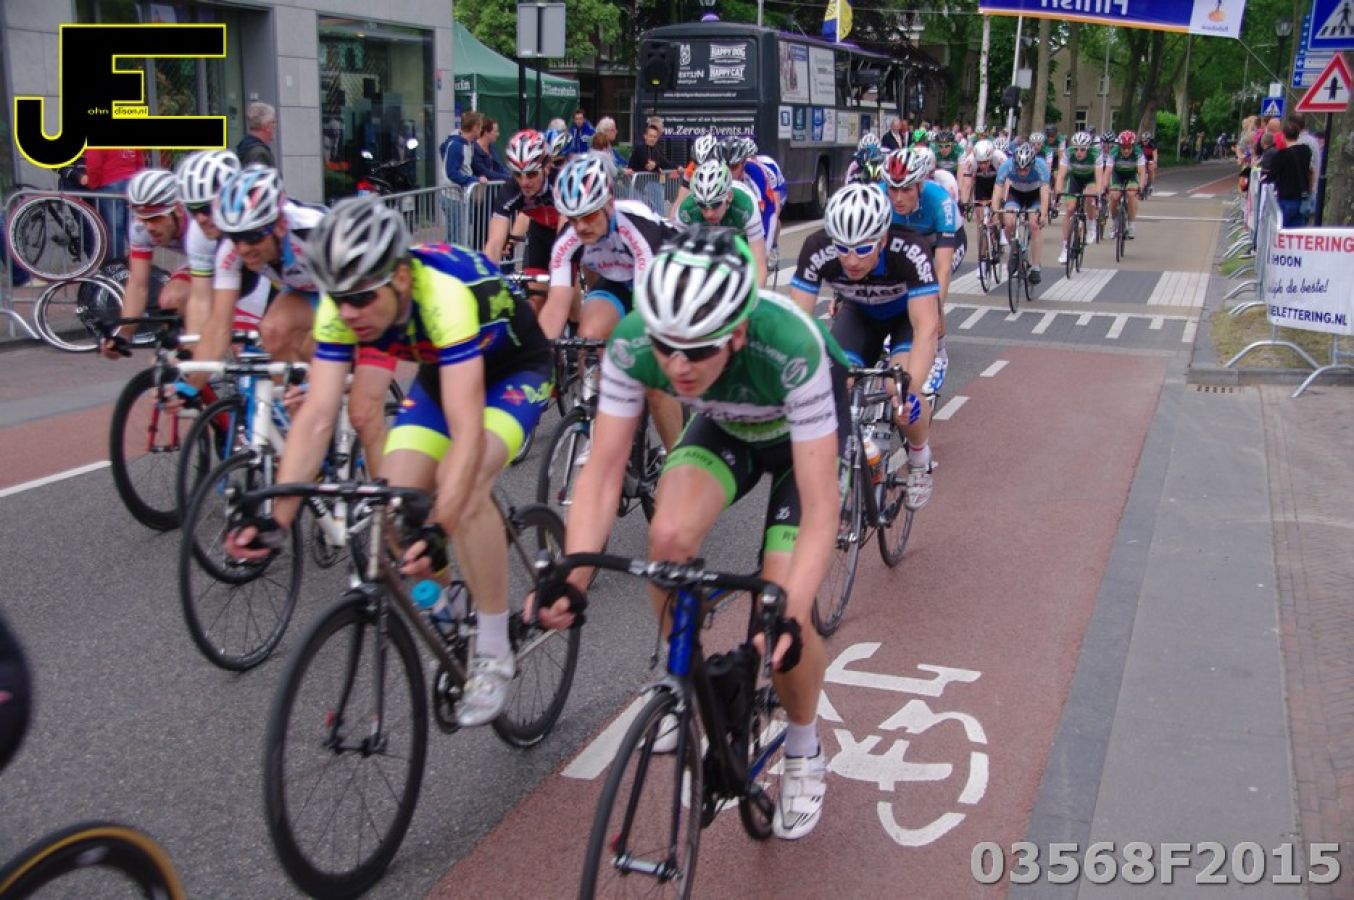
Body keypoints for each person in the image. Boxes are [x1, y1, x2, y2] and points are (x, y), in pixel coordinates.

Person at [540, 226, 846, 840]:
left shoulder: (791, 345)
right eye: (666, 346)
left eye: (698, 350)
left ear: (737, 333)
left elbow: (820, 509)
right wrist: (573, 574)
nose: (677, 366)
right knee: (667, 540)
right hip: (725, 428)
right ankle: (685, 678)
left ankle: (804, 747)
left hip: (798, 449)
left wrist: (791, 612)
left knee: (782, 611)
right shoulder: (633, 342)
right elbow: (602, 472)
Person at [226, 198, 555, 726]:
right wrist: (276, 519)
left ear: (400, 278)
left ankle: (495, 649)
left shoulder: (444, 294)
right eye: (338, 299)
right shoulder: (347, 304)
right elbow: (317, 417)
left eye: (361, 298)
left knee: (464, 483)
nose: (348, 312)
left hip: (514, 372)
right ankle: (445, 602)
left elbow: (467, 433)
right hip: (442, 373)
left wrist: (440, 525)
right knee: (393, 498)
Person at [790, 183, 939, 510]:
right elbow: (796, 324)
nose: (851, 260)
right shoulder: (817, 248)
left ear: (883, 240)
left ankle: (919, 459)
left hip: (904, 318)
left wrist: (909, 388)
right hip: (859, 315)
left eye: (863, 249)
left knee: (898, 388)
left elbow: (926, 328)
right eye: (843, 248)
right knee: (835, 383)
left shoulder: (910, 249)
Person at [540, 155, 685, 448]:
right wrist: (537, 354)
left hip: (662, 281)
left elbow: (645, 308)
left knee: (655, 382)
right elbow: (556, 304)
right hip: (619, 281)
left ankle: (679, 459)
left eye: (588, 215)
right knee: (589, 335)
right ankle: (598, 412)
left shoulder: (636, 224)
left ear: (607, 204)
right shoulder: (568, 240)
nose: (580, 226)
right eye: (572, 218)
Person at [99, 168, 215, 358]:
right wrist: (124, 335)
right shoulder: (140, 228)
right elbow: (138, 284)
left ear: (178, 209)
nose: (149, 227)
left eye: (156, 218)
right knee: (172, 299)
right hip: (203, 263)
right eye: (143, 218)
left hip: (238, 264)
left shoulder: (199, 225)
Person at [878, 149, 960, 394]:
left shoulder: (940, 200)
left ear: (920, 185)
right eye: (893, 189)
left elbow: (943, 267)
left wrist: (934, 306)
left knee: (931, 293)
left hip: (938, 244)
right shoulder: (879, 198)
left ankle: (939, 353)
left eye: (906, 190)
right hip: (905, 240)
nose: (898, 198)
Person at [483, 130, 562, 310]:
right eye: (518, 174)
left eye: (531, 174)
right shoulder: (511, 190)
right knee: (535, 299)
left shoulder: (560, 183)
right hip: (540, 234)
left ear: (547, 167)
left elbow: (569, 233)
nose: (524, 182)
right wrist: (486, 282)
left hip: (569, 232)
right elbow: (494, 244)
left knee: (565, 294)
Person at [675, 159, 768, 283]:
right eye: (702, 205)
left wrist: (754, 293)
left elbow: (759, 266)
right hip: (706, 242)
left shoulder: (745, 206)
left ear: (729, 197)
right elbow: (676, 262)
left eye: (716, 205)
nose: (709, 213)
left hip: (740, 239)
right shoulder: (687, 210)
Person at [992, 143, 1051, 283]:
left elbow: (1044, 192)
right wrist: (995, 211)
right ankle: (1016, 249)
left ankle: (1035, 267)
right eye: (1019, 169)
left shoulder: (1041, 165)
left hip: (1035, 194)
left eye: (1026, 169)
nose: (1022, 172)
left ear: (1032, 164)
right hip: (1016, 193)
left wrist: (1043, 213)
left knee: (1034, 225)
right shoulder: (1007, 166)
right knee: (1009, 222)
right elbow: (998, 190)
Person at [81, 148, 145, 262]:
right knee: (134, 226)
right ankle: (140, 262)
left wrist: (92, 185)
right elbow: (140, 161)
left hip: (110, 183)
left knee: (114, 228)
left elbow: (94, 164)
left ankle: (116, 264)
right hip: (132, 183)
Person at [1056, 132, 1101, 264]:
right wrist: (1058, 193)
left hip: (1090, 178)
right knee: (1070, 209)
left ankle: (1091, 225)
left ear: (1088, 148)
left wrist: (1098, 194)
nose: (1079, 152)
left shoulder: (1096, 154)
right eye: (1076, 149)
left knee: (1089, 196)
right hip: (1075, 178)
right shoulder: (1068, 153)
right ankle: (1065, 248)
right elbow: (1061, 175)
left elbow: (1099, 177)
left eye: (1082, 149)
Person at [1269, 118, 1315, 227]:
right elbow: (1311, 172)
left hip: (1285, 197)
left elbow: (1272, 176)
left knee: (1283, 229)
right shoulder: (1306, 150)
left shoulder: (1280, 155)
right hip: (1301, 197)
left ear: (1283, 136)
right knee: (1298, 230)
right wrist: (1309, 191)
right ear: (1298, 135)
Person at [1104, 130, 1146, 240]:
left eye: (1129, 148)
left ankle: (1131, 225)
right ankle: (1114, 223)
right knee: (1114, 197)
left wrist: (1141, 188)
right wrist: (1105, 187)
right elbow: (1108, 171)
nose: (1126, 150)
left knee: (1131, 195)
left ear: (1133, 146)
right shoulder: (1113, 152)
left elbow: (1142, 172)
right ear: (1120, 146)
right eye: (1123, 148)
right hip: (1117, 176)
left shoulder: (1138, 152)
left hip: (1131, 176)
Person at [236, 102, 277, 167]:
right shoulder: (259, 154)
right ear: (267, 125)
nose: (275, 125)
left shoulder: (245, 147)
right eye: (273, 122)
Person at [472, 117, 510, 182]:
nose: (498, 134)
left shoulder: (492, 148)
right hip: (481, 187)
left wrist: (513, 177)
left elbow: (499, 167)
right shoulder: (474, 150)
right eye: (495, 131)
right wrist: (508, 177)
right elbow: (485, 173)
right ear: (486, 132)